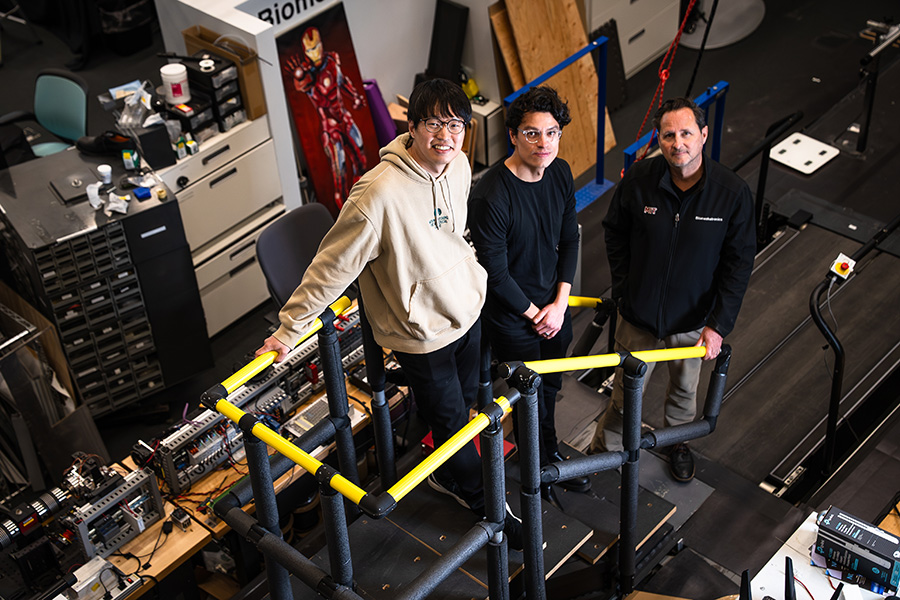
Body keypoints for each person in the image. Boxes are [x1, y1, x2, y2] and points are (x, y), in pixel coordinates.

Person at [255, 78, 523, 547]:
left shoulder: (458, 165)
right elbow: (330, 268)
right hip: (422, 333)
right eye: (435, 123)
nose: (447, 135)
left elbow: (453, 233)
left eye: (456, 124)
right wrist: (288, 329)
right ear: (413, 126)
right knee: (454, 425)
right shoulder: (375, 195)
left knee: (467, 410)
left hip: (466, 311)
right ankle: (486, 504)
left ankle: (446, 476)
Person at [589, 97, 755, 482]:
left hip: (693, 320)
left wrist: (718, 325)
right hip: (638, 316)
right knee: (623, 398)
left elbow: (738, 264)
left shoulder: (731, 194)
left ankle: (677, 444)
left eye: (686, 133)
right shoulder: (639, 180)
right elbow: (614, 231)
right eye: (668, 135)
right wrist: (626, 285)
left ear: (703, 135)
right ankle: (600, 455)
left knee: (684, 394)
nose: (677, 142)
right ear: (659, 140)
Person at [468, 85, 591, 504]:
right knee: (529, 397)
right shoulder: (491, 195)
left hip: (553, 308)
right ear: (514, 135)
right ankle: (535, 472)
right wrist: (537, 312)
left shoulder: (560, 172)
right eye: (533, 133)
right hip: (513, 315)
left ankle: (547, 455)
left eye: (552, 132)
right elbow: (495, 273)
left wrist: (559, 303)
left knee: (553, 388)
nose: (544, 143)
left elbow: (570, 239)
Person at [284, 26, 367, 210]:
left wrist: (355, 96)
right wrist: (300, 75)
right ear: (306, 52)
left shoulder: (331, 61)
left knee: (361, 163)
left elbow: (342, 81)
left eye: (317, 47)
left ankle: (365, 208)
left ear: (322, 45)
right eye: (310, 50)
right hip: (330, 129)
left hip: (344, 118)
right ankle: (346, 220)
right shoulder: (307, 74)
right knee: (340, 176)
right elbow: (301, 84)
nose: (315, 53)